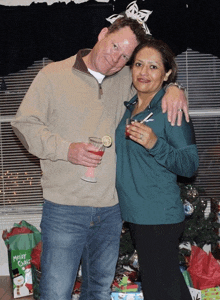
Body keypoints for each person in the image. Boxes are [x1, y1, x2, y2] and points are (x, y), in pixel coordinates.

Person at [11, 17, 188, 300]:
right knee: (56, 293)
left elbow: (154, 87)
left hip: (111, 209)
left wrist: (176, 89)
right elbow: (24, 123)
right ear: (103, 33)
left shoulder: (125, 82)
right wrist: (65, 149)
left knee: (99, 291)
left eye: (126, 56)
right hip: (64, 208)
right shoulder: (53, 75)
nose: (116, 58)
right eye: (115, 45)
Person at [116, 37, 199, 300]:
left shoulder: (169, 108)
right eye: (139, 64)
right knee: (156, 287)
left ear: (167, 74)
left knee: (165, 288)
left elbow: (189, 165)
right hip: (137, 214)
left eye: (153, 67)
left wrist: (154, 143)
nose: (143, 72)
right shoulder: (130, 106)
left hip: (159, 215)